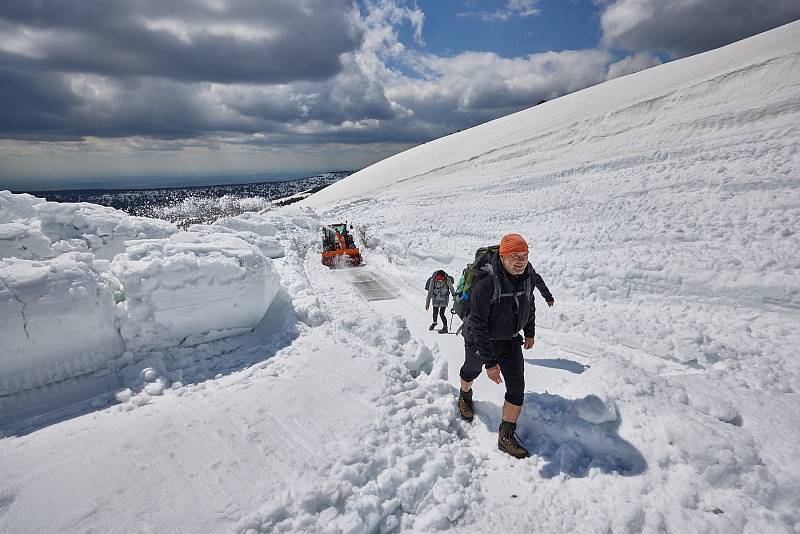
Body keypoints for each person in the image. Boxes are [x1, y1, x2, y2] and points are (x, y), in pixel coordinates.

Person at [457, 233, 555, 459]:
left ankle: (506, 435)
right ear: (502, 256)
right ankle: (464, 395)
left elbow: (528, 305)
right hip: (480, 338)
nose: (520, 260)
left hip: (510, 340)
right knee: (471, 370)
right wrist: (490, 363)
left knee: (516, 387)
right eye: (514, 256)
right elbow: (478, 324)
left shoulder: (527, 276)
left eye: (525, 255)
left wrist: (529, 331)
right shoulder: (485, 283)